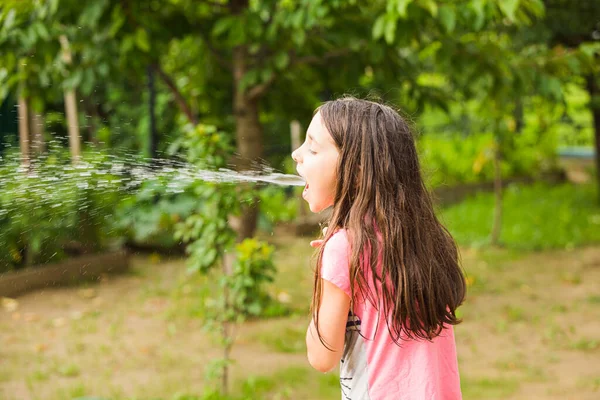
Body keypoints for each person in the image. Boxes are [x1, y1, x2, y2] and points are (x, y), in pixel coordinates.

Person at [291, 97, 466, 400]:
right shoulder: (424, 240)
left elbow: (321, 356)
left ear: (356, 170)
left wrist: (327, 270)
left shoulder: (343, 249)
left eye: (313, 148)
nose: (297, 154)